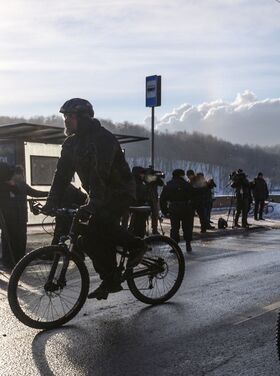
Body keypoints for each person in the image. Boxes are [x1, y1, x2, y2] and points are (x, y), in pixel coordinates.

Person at [43, 98, 146, 300]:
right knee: (86, 240)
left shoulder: (102, 138)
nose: (66, 121)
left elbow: (101, 173)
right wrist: (51, 202)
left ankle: (136, 245)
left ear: (83, 118)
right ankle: (110, 279)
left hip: (120, 191)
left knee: (101, 224)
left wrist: (93, 203)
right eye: (64, 117)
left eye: (69, 116)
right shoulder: (71, 143)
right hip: (98, 194)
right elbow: (62, 175)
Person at [160, 169, 194, 252]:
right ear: (181, 175)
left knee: (174, 228)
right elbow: (193, 197)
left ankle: (174, 246)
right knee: (187, 227)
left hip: (174, 208)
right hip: (186, 208)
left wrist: (165, 211)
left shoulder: (168, 185)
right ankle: (188, 244)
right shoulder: (187, 185)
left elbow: (162, 199)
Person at [128, 166, 152, 237]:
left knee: (137, 228)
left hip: (139, 209)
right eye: (142, 173)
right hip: (139, 209)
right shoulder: (137, 184)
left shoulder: (135, 183)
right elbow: (142, 196)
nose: (143, 175)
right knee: (138, 229)